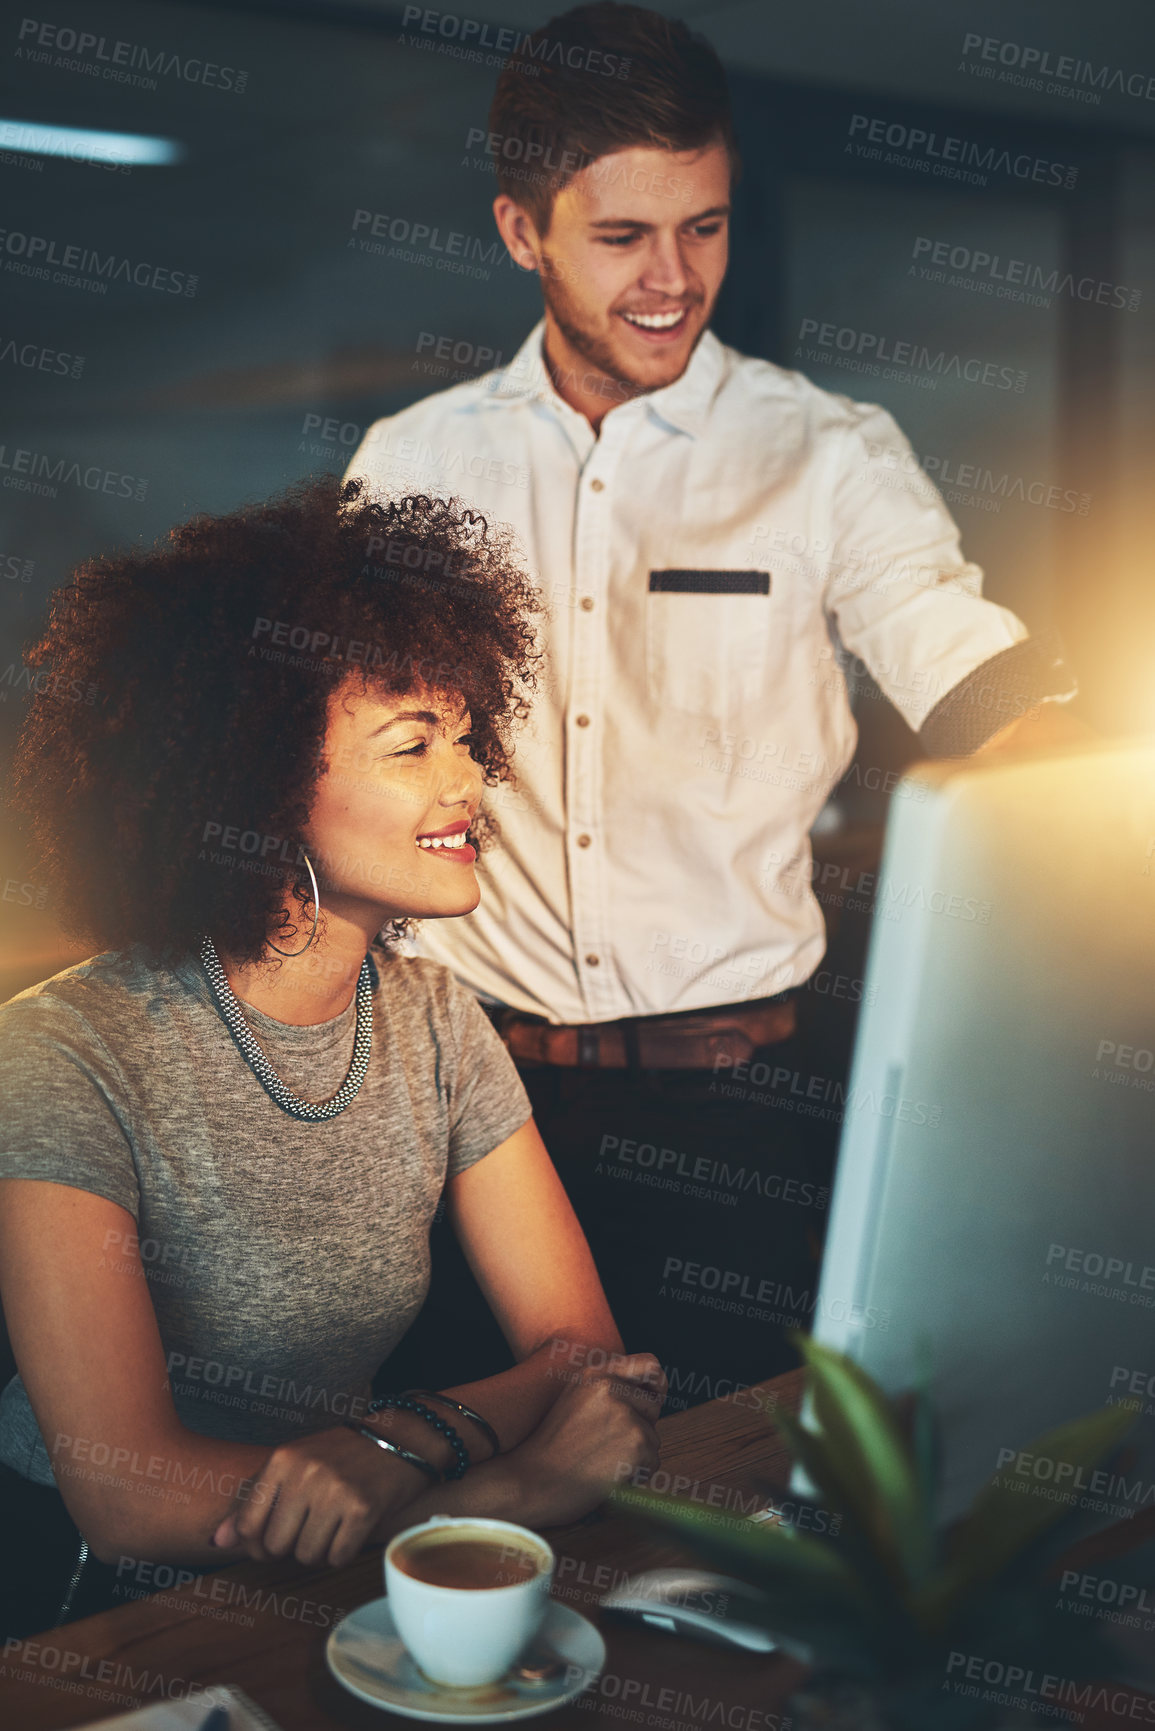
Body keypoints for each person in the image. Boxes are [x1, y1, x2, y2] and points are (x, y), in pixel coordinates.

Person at [346, 2, 1082, 1390]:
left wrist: (1078, 779)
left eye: (704, 226)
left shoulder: (827, 455)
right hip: (457, 1097)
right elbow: (343, 750)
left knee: (730, 1497)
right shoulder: (406, 465)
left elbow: (956, 654)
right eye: (621, 237)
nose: (671, 279)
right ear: (521, 231)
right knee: (465, 1502)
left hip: (735, 1115)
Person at [0, 476, 665, 1640]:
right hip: (90, 1607)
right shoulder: (66, 1052)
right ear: (254, 784)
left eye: (465, 736)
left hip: (353, 1559)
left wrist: (398, 1446)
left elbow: (594, 1369)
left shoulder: (436, 1020)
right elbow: (126, 1492)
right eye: (414, 746)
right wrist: (503, 1489)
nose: (471, 782)